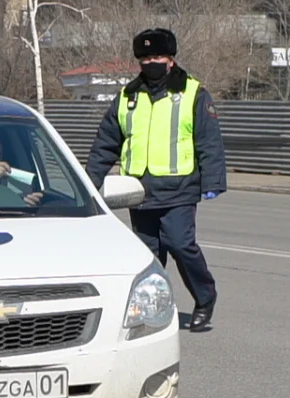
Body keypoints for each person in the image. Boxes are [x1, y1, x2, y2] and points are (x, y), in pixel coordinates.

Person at [85, 28, 227, 333]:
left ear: (171, 59)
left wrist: (212, 181)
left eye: (157, 56)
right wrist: (88, 182)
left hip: (179, 188)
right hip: (139, 191)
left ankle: (205, 299)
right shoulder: (128, 96)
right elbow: (106, 142)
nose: (151, 62)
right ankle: (150, 311)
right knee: (147, 256)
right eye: (145, 57)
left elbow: (209, 141)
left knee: (180, 244)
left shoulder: (193, 93)